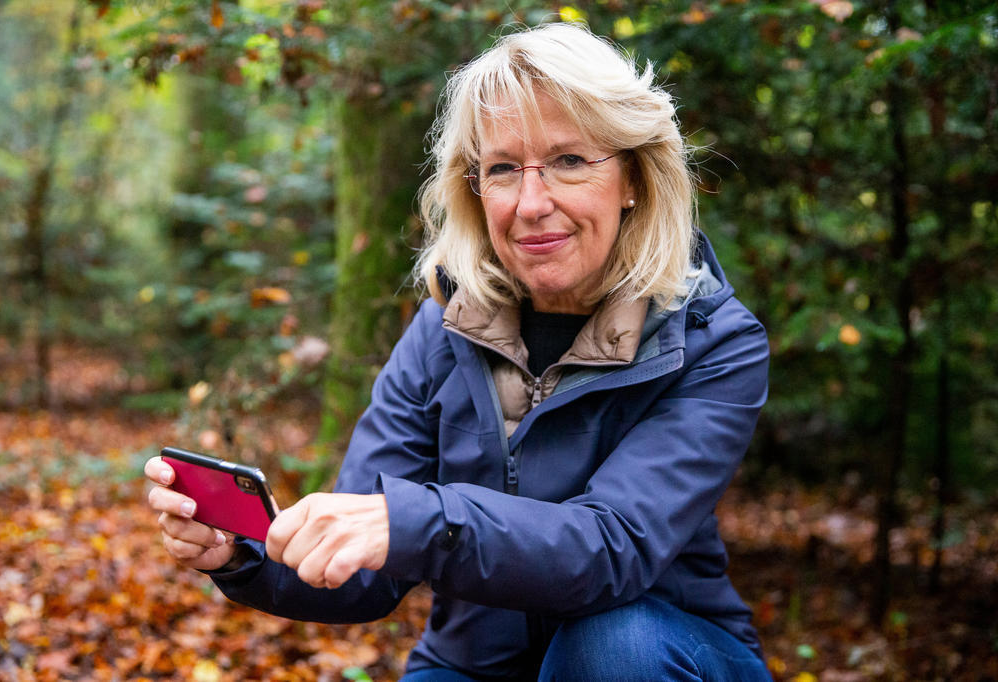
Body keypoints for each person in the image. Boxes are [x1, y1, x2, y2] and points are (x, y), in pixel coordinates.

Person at [145, 22, 772, 681]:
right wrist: (239, 553)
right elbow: (366, 573)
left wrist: (417, 520)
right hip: (475, 665)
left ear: (633, 178)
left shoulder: (711, 341)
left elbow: (610, 550)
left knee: (611, 648)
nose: (531, 204)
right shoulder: (442, 331)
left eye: (569, 161)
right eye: (503, 169)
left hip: (662, 657)